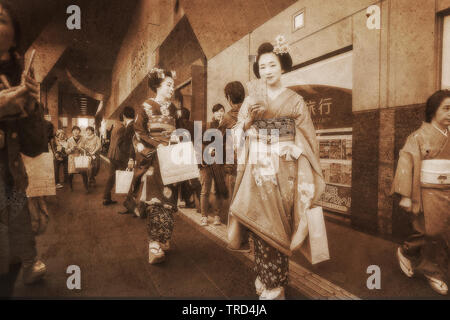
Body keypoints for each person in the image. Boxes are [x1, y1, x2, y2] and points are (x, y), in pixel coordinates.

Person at [229, 38, 325, 299]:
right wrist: (248, 121)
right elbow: (236, 136)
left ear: (282, 67)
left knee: (278, 226)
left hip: (285, 171)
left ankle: (276, 284)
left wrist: (295, 149)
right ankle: (265, 275)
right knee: (258, 228)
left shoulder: (295, 101)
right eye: (262, 66)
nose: (267, 70)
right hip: (257, 170)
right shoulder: (251, 100)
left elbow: (308, 137)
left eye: (272, 64)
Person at [0, 1, 49, 297]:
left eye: (0, 19)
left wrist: (30, 108)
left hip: (12, 183)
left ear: (14, 36)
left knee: (12, 257)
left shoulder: (19, 80)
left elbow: (35, 146)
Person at [392, 89, 450, 296]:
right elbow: (406, 162)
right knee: (431, 232)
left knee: (444, 233)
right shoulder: (417, 137)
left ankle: (422, 259)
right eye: (447, 108)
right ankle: (429, 269)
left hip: (448, 191)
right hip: (426, 192)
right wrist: (406, 195)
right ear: (433, 110)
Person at [124, 67, 179, 264]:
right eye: (168, 85)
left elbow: (175, 130)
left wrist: (176, 140)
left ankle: (163, 238)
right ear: (157, 86)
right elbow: (139, 133)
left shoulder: (172, 109)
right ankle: (153, 245)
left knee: (169, 199)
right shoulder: (146, 106)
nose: (172, 89)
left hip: (169, 157)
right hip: (155, 158)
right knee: (156, 202)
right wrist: (158, 146)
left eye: (173, 85)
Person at [199, 103, 228, 226]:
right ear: (213, 113)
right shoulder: (207, 125)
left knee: (217, 190)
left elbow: (227, 144)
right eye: (217, 111)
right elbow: (199, 143)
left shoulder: (225, 127)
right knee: (205, 190)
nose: (220, 113)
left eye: (222, 111)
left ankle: (217, 216)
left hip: (219, 161)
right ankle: (204, 216)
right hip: (207, 161)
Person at [103, 106, 135, 206]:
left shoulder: (116, 127)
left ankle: (106, 197)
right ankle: (129, 201)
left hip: (112, 155)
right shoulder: (122, 128)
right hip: (119, 156)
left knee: (111, 177)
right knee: (128, 176)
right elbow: (121, 143)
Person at [66, 126, 89, 193]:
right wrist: (71, 149)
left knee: (84, 173)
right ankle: (70, 187)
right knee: (70, 174)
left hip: (80, 158)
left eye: (77, 130)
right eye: (74, 130)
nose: (76, 132)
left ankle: (86, 188)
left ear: (79, 131)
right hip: (72, 159)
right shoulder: (69, 140)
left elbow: (87, 149)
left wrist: (80, 149)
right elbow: (66, 151)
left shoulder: (84, 139)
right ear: (72, 132)